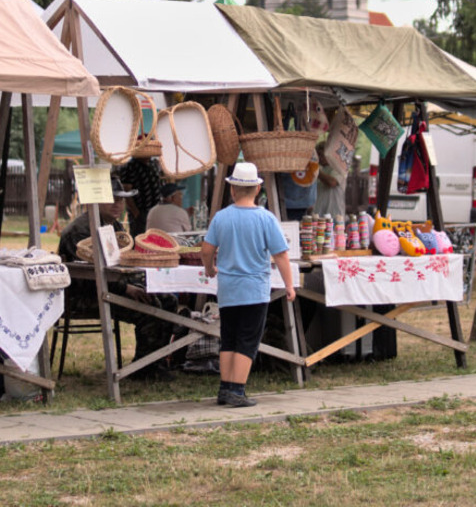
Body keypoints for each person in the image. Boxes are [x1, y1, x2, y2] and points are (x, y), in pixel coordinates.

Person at [58, 177, 178, 380]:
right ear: (96, 202)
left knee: (168, 300)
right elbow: (88, 278)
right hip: (84, 296)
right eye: (112, 199)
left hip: (112, 289)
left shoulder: (115, 227)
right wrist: (126, 289)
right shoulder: (79, 231)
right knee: (150, 309)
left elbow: (123, 265)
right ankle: (143, 367)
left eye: (121, 200)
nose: (118, 205)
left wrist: (136, 284)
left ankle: (155, 362)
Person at [201, 162, 296, 407]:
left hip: (228, 290)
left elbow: (207, 249)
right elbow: (281, 255)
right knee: (247, 340)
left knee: (229, 338)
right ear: (257, 189)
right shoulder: (266, 218)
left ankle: (225, 388)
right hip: (254, 290)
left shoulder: (221, 217)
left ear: (232, 190)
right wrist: (289, 285)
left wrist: (210, 268)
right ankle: (237, 389)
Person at [314, 139, 347, 217]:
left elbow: (332, 182)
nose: (319, 158)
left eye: (321, 155)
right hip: (320, 214)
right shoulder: (320, 169)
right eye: (317, 155)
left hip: (335, 215)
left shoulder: (339, 168)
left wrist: (315, 170)